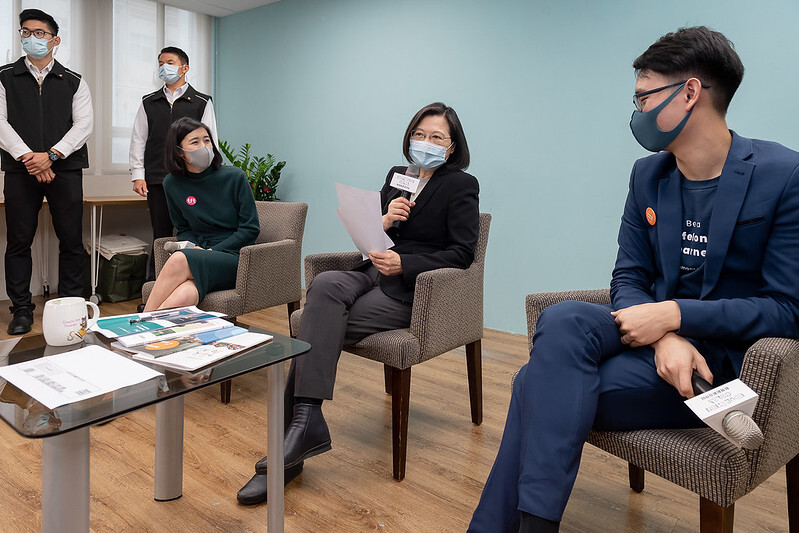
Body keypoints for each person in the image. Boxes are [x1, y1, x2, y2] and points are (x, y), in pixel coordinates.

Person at [469, 26, 799, 533]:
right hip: (650, 341)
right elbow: (628, 276)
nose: (637, 111)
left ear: (690, 92)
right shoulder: (648, 175)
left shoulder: (782, 174)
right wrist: (665, 334)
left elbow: (785, 308)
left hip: (717, 367)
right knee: (564, 318)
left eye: (645, 96)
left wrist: (677, 316)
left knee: (534, 382)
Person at [236, 102, 480, 505]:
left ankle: (289, 450)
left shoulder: (461, 185)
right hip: (371, 269)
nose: (426, 143)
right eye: (419, 134)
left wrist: (407, 262)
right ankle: (304, 427)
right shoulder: (397, 176)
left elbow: (462, 253)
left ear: (452, 147)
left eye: (437, 137)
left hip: (413, 289)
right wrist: (383, 223)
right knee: (325, 286)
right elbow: (369, 234)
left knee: (315, 326)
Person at [0, 8, 93, 335]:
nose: (31, 38)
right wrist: (30, 157)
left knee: (71, 240)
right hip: (19, 170)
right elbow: (0, 122)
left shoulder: (74, 81)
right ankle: (22, 310)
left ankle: (71, 308)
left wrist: (51, 155)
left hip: (65, 169)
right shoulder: (4, 76)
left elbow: (83, 125)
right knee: (18, 241)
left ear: (55, 40)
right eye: (25, 31)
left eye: (39, 33)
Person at [143, 117, 258, 311]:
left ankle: (138, 324)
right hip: (200, 255)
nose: (204, 146)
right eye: (195, 142)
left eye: (207, 140)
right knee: (185, 294)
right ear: (179, 151)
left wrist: (212, 252)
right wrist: (195, 248)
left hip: (235, 257)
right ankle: (147, 336)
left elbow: (250, 229)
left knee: (179, 258)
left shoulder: (234, 176)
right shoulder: (171, 183)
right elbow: (183, 228)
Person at [129, 46, 218, 280]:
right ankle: (154, 285)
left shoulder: (201, 101)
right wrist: (138, 175)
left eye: (169, 62)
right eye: (160, 63)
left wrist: (208, 177)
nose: (163, 67)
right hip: (158, 179)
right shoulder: (149, 102)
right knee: (161, 234)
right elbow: (139, 139)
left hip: (192, 180)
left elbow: (210, 142)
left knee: (193, 231)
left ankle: (193, 278)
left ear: (184, 68)